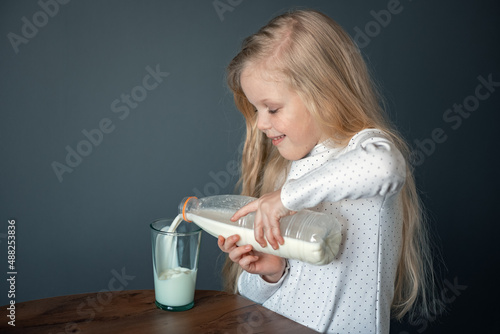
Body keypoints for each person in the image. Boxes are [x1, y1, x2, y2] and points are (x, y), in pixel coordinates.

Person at [217, 9, 442, 333]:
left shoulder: (367, 150)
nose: (261, 123)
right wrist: (271, 271)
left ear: (323, 94)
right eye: (256, 109)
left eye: (273, 108)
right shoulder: (288, 169)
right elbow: (252, 296)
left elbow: (386, 167)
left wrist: (286, 199)